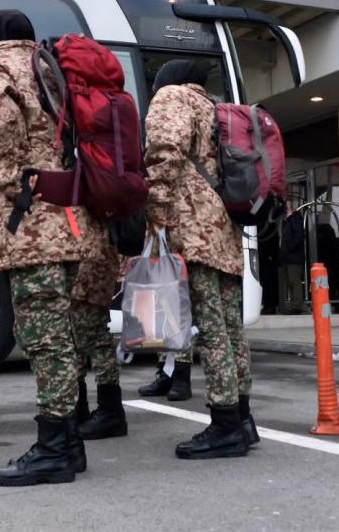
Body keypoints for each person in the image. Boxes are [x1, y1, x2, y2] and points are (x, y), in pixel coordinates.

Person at [0, 10, 100, 487]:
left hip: (30, 221)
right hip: (65, 220)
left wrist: (5, 181)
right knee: (58, 334)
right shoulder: (51, 68)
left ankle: (54, 448)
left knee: (46, 340)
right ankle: (70, 444)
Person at [144, 60, 255, 460]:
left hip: (193, 228)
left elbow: (165, 154)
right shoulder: (213, 107)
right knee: (229, 326)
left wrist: (155, 209)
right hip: (223, 226)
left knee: (210, 328)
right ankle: (242, 417)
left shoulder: (172, 98)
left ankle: (225, 425)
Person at [71, 228, 127, 440]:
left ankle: (110, 411)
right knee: (80, 331)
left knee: (91, 331)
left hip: (91, 253)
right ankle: (81, 409)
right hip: (87, 250)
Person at [278, 201, 307, 314]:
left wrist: (289, 248)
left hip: (293, 256)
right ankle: (293, 304)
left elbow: (299, 237)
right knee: (289, 281)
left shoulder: (295, 219)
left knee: (294, 280)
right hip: (287, 256)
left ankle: (297, 306)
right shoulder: (285, 220)